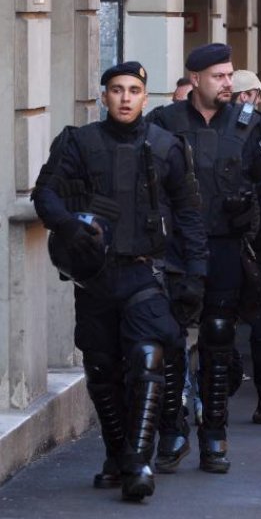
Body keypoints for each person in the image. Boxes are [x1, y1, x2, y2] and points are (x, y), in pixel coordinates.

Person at [32, 61, 207, 501]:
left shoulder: (166, 146)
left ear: (146, 97)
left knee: (148, 359)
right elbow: (45, 192)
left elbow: (189, 215)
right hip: (94, 277)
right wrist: (67, 225)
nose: (125, 98)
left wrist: (195, 277)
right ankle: (116, 455)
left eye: (133, 90)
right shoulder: (79, 142)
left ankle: (139, 460)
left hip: (145, 273)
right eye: (116, 90)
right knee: (102, 370)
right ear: (103, 96)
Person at [148, 43, 261, 473]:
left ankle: (214, 436)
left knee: (219, 341)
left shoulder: (248, 125)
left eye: (230, 75)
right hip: (175, 253)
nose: (228, 83)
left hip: (226, 247)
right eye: (219, 76)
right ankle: (173, 431)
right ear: (195, 80)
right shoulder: (164, 123)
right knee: (170, 343)